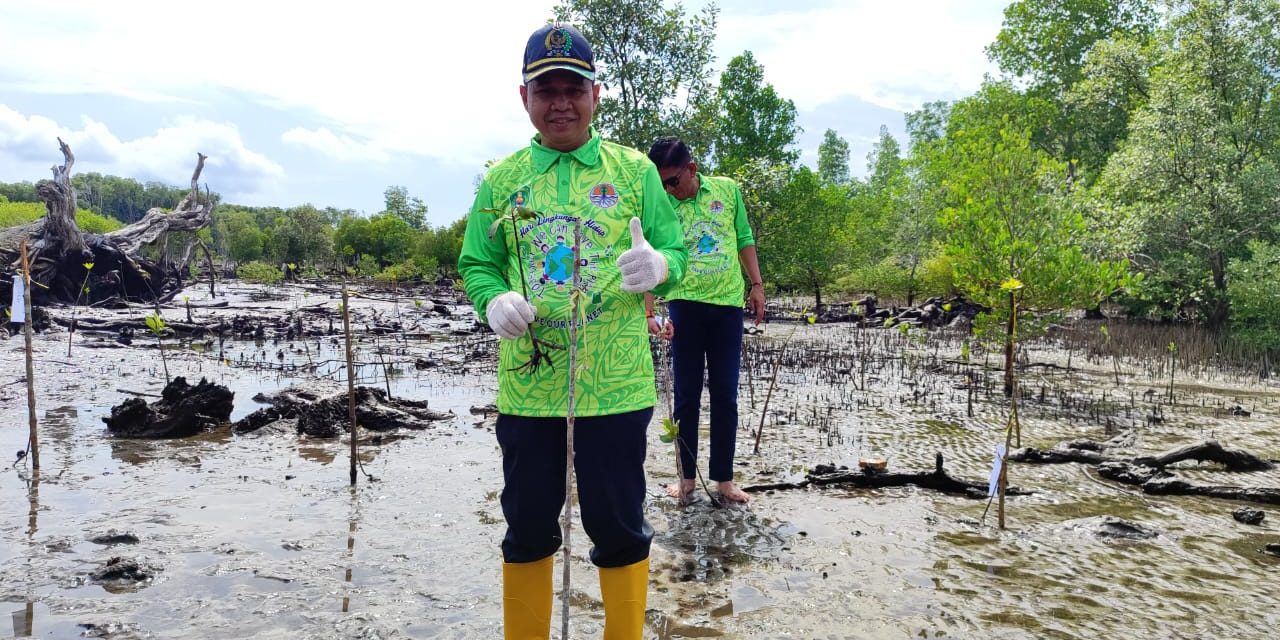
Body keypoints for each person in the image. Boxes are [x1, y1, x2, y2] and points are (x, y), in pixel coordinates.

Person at [458, 23, 688, 640]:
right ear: (524, 97)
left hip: (615, 386)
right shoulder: (503, 181)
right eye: (546, 89)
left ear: (595, 94)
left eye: (573, 88)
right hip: (529, 386)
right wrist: (492, 298)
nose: (560, 101)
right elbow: (476, 262)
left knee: (618, 525)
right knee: (528, 524)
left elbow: (676, 248)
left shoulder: (636, 171)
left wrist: (662, 267)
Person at [644, 137, 765, 505]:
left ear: (692, 170)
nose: (667, 189)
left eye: (672, 181)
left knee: (726, 396)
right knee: (685, 397)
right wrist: (650, 311)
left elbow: (743, 238)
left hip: (727, 306)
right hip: (683, 306)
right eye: (661, 183)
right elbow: (648, 252)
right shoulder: (661, 205)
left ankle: (724, 481)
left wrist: (757, 285)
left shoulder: (727, 190)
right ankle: (686, 480)